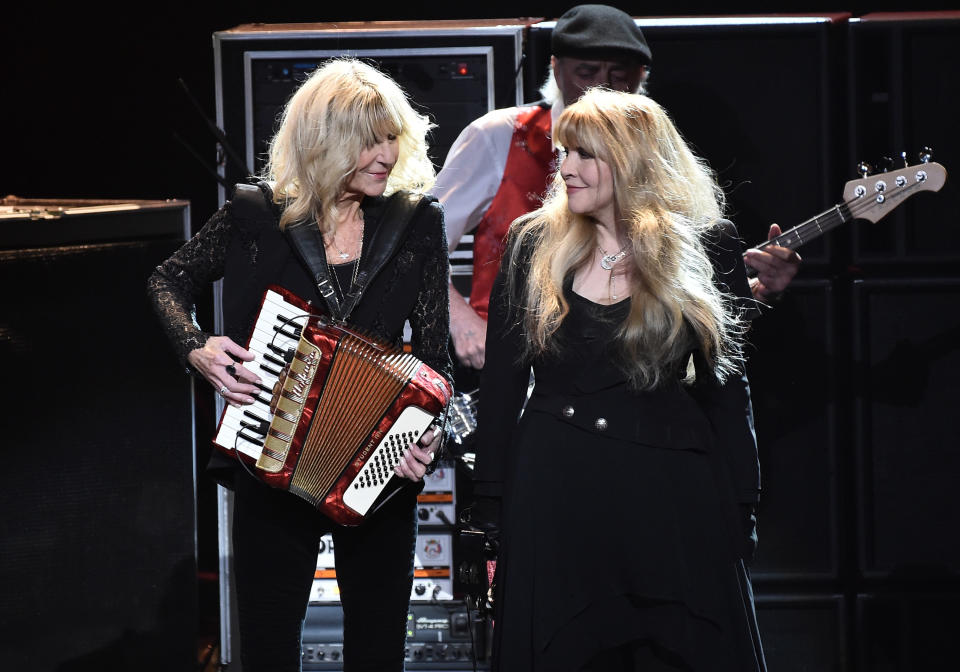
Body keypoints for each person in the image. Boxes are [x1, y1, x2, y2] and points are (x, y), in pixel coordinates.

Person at [147, 58, 453, 671]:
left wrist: (430, 435)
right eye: (368, 139)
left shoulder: (418, 223)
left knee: (377, 652)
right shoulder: (255, 215)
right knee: (268, 650)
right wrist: (197, 347)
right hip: (270, 462)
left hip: (379, 471)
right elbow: (167, 280)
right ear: (323, 140)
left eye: (392, 135)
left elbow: (435, 359)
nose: (386, 154)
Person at [470, 88, 767, 671]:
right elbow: (504, 388)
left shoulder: (707, 246)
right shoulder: (533, 242)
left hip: (674, 492)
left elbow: (728, 391)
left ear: (631, 161)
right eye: (564, 153)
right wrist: (490, 505)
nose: (566, 169)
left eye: (585, 154)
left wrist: (743, 502)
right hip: (557, 492)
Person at [432, 4, 800, 372]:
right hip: (507, 361)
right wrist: (461, 322)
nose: (601, 87)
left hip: (621, 372)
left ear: (640, 79)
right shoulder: (500, 135)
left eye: (618, 75)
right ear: (556, 69)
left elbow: (691, 307)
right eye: (586, 72)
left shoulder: (657, 156)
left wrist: (761, 290)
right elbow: (418, 244)